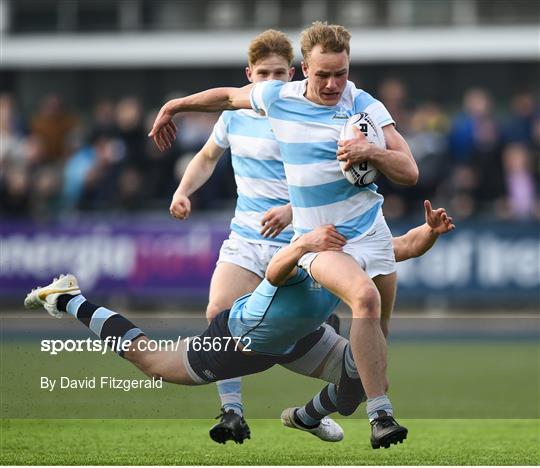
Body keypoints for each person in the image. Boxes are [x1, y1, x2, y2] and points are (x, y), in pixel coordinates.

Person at [149, 22, 419, 439]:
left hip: (365, 231)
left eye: (341, 73)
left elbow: (410, 171)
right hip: (307, 238)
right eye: (323, 74)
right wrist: (175, 106)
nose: (333, 84)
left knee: (369, 356)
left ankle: (315, 413)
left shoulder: (364, 107)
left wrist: (371, 152)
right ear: (305, 69)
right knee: (228, 312)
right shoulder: (275, 102)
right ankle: (239, 411)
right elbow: (224, 99)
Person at [25, 201, 453, 449]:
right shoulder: (307, 250)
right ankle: (69, 299)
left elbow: (404, 246)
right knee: (150, 360)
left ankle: (304, 417)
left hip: (303, 338)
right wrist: (304, 242)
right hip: (241, 341)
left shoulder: (357, 248)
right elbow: (273, 273)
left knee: (368, 378)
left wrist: (431, 232)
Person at [168, 30, 296, 441]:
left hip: (298, 240)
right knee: (218, 312)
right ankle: (232, 412)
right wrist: (183, 191)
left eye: (279, 73)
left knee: (303, 337)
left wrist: (292, 211)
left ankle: (318, 409)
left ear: (292, 74)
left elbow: (331, 181)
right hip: (246, 236)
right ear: (249, 74)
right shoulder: (234, 115)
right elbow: (206, 157)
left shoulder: (304, 113)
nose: (271, 81)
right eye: (263, 73)